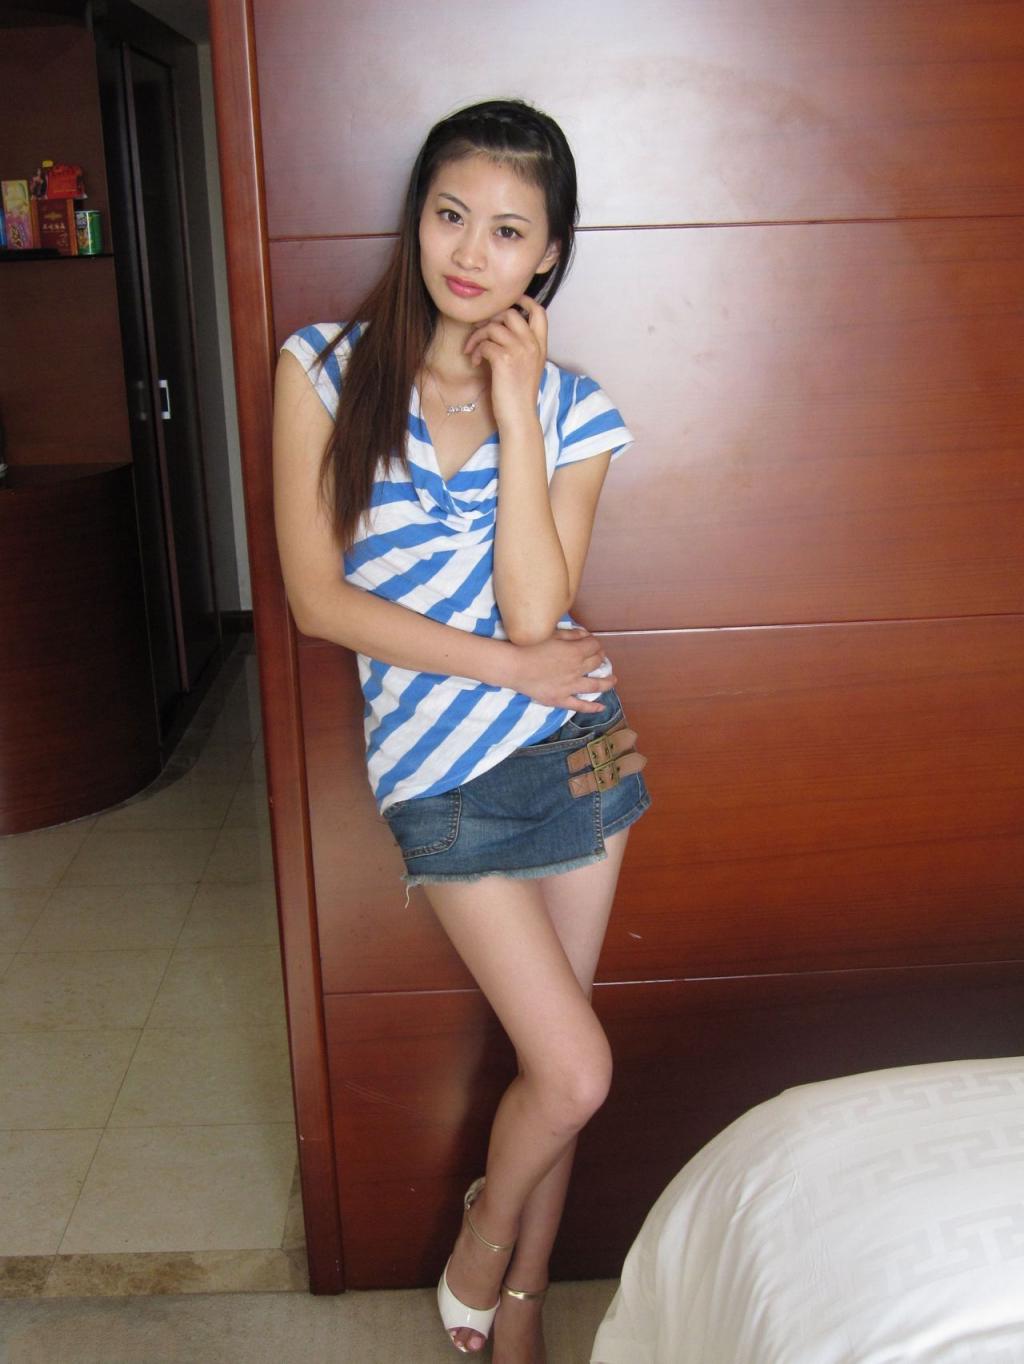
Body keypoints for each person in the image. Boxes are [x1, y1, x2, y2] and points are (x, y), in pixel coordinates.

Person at [273, 98, 650, 1363]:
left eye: (506, 230)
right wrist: (508, 668)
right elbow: (319, 602)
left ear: (547, 255)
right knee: (574, 1069)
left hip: (582, 748)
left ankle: (521, 1300)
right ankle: (485, 1241)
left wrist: (519, 403)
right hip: (443, 780)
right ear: (417, 215)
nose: (470, 252)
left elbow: (539, 606)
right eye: (450, 214)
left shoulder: (577, 409)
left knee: (559, 1064)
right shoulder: (322, 369)